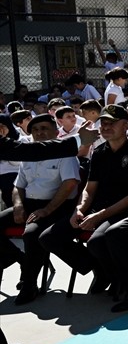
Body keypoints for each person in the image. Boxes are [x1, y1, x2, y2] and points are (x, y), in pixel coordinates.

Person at [40, 105, 128, 305]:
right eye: (103, 123)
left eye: (112, 123)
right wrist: (80, 210)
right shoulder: (100, 152)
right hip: (98, 208)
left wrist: (98, 216)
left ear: (126, 126)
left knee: (98, 241)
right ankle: (102, 271)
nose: (106, 127)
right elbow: (89, 189)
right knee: (50, 237)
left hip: (124, 210)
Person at [0, 115, 80, 304]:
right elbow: (18, 186)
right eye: (35, 130)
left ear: (56, 131)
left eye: (44, 128)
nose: (39, 133)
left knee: (31, 234)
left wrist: (47, 209)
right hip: (29, 204)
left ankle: (29, 285)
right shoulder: (29, 154)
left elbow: (69, 184)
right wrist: (18, 205)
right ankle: (21, 260)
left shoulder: (65, 152)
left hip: (57, 207)